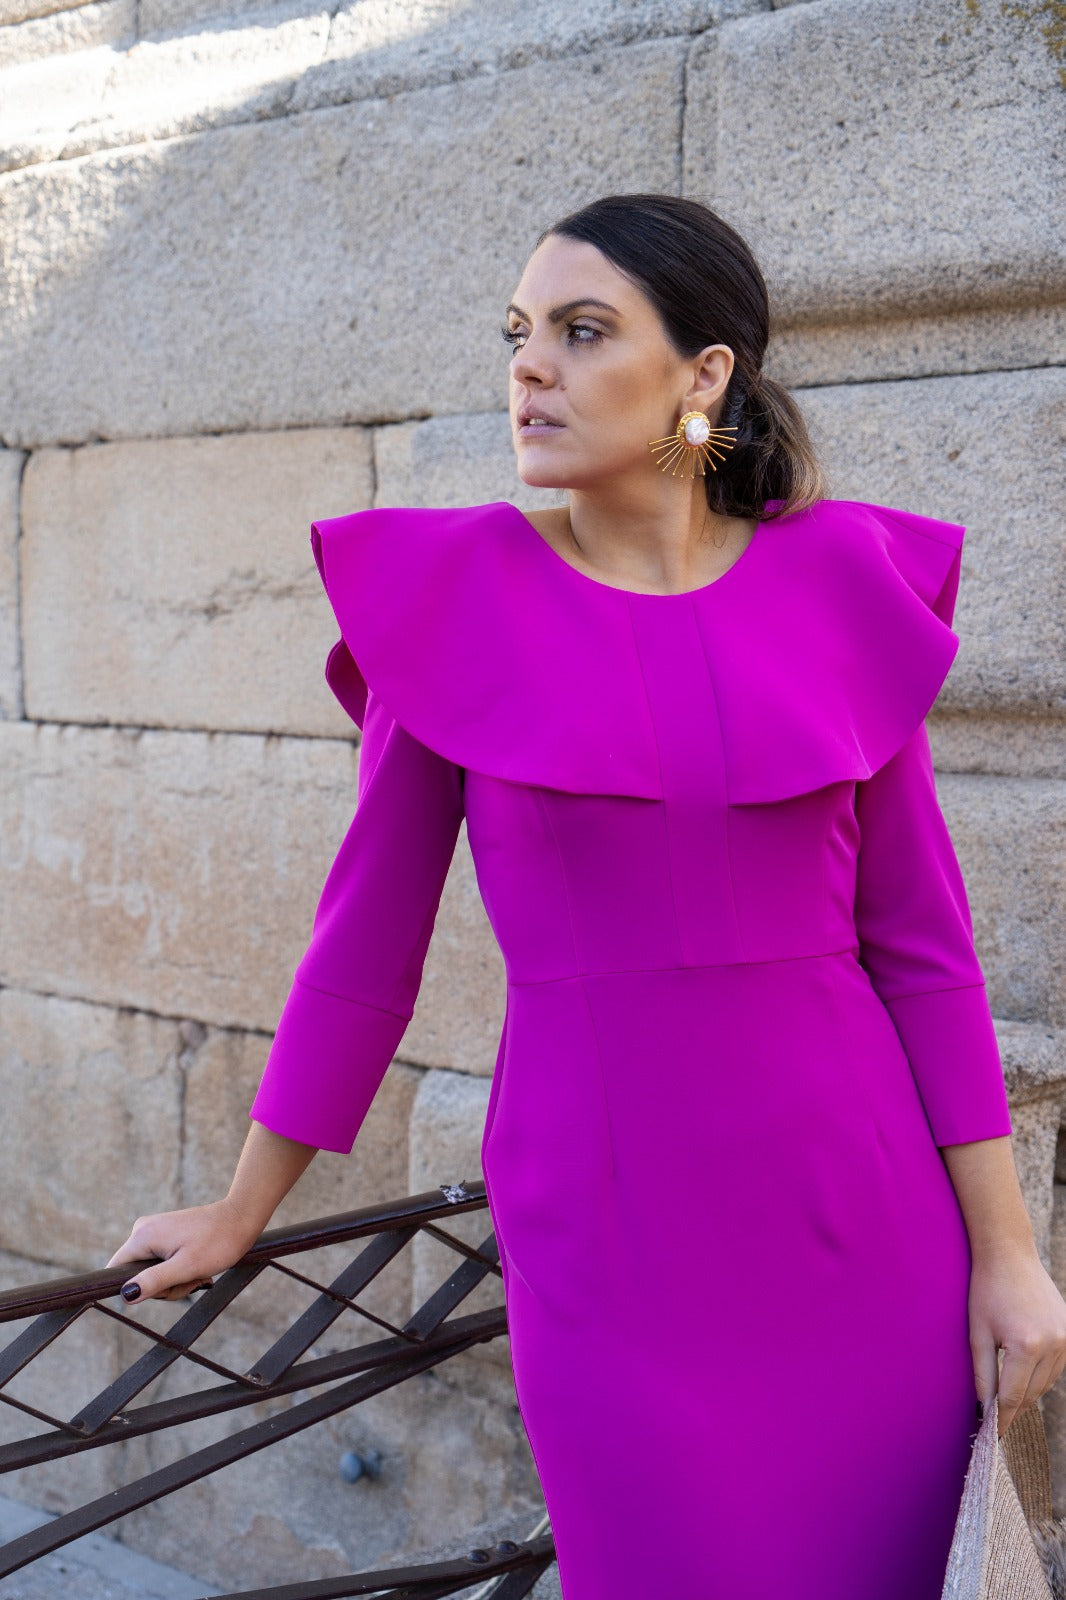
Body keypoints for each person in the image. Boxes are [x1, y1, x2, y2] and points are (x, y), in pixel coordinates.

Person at [110, 192, 1066, 1598]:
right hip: (608, 1231)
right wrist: (241, 1209)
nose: (530, 369)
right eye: (518, 335)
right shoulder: (450, 600)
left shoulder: (837, 584)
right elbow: (362, 950)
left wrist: (1010, 1256)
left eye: (580, 331)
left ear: (702, 375)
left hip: (863, 1219)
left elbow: (923, 953)